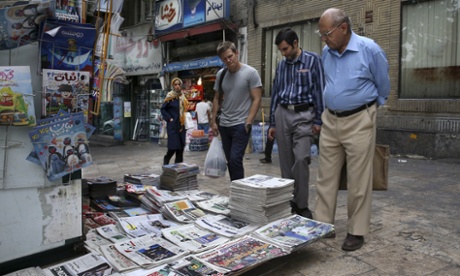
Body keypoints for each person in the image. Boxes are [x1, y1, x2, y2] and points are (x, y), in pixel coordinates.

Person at [314, 8, 390, 251]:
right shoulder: (327, 52)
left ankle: (356, 231)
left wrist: (370, 109)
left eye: (326, 34)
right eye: (321, 34)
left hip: (359, 119)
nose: (324, 39)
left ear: (343, 28)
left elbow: (383, 85)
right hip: (331, 119)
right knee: (325, 176)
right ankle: (323, 224)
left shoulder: (370, 49)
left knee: (359, 179)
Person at [267, 28, 325, 219]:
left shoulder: (313, 60)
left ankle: (302, 205)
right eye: (280, 50)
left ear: (295, 43)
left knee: (301, 159)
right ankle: (289, 202)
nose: (283, 54)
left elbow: (320, 90)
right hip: (283, 113)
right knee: (286, 162)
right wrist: (272, 122)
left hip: (304, 115)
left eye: (285, 49)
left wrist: (318, 119)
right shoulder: (282, 66)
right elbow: (276, 93)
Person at [211, 41, 262, 181]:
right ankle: (236, 189)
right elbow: (216, 98)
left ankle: (240, 192)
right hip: (224, 125)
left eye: (230, 56)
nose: (228, 60)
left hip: (241, 125)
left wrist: (248, 122)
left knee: (235, 159)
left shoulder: (251, 73)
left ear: (236, 53)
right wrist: (213, 121)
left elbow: (257, 99)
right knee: (230, 161)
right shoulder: (221, 74)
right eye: (224, 59)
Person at [160, 77, 189, 165]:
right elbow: (163, 109)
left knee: (180, 148)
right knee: (173, 147)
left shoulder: (182, 97)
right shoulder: (170, 96)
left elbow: (184, 109)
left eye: (179, 84)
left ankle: (178, 168)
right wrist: (169, 118)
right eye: (175, 84)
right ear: (173, 86)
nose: (177, 86)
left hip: (181, 125)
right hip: (173, 125)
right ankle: (166, 160)